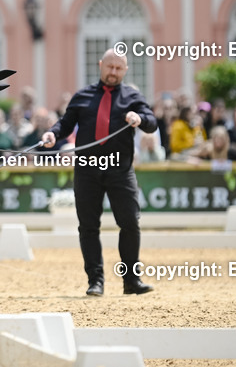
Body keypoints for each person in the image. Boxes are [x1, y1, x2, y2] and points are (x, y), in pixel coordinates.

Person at [42, 49, 157, 297]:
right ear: (100, 65)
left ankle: (131, 280)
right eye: (110, 67)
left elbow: (152, 121)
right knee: (88, 226)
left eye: (119, 68)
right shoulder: (82, 96)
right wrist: (53, 133)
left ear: (125, 70)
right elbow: (66, 123)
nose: (113, 72)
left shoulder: (133, 96)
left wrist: (139, 118)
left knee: (129, 223)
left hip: (120, 169)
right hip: (87, 170)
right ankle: (96, 281)